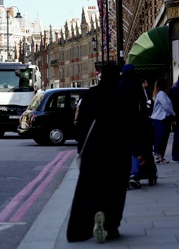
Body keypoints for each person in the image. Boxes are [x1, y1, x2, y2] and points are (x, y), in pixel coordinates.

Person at [66, 64, 134, 243]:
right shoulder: (122, 95)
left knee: (93, 187)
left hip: (94, 151)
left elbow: (81, 125)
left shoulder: (91, 94)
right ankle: (112, 226)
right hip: (118, 151)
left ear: (102, 75)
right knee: (116, 189)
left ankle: (94, 214)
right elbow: (132, 124)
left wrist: (81, 149)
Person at [151, 78, 176, 164]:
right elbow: (166, 106)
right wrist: (173, 113)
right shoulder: (161, 94)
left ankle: (160, 155)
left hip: (162, 119)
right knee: (160, 137)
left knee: (163, 138)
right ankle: (157, 155)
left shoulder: (161, 94)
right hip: (159, 119)